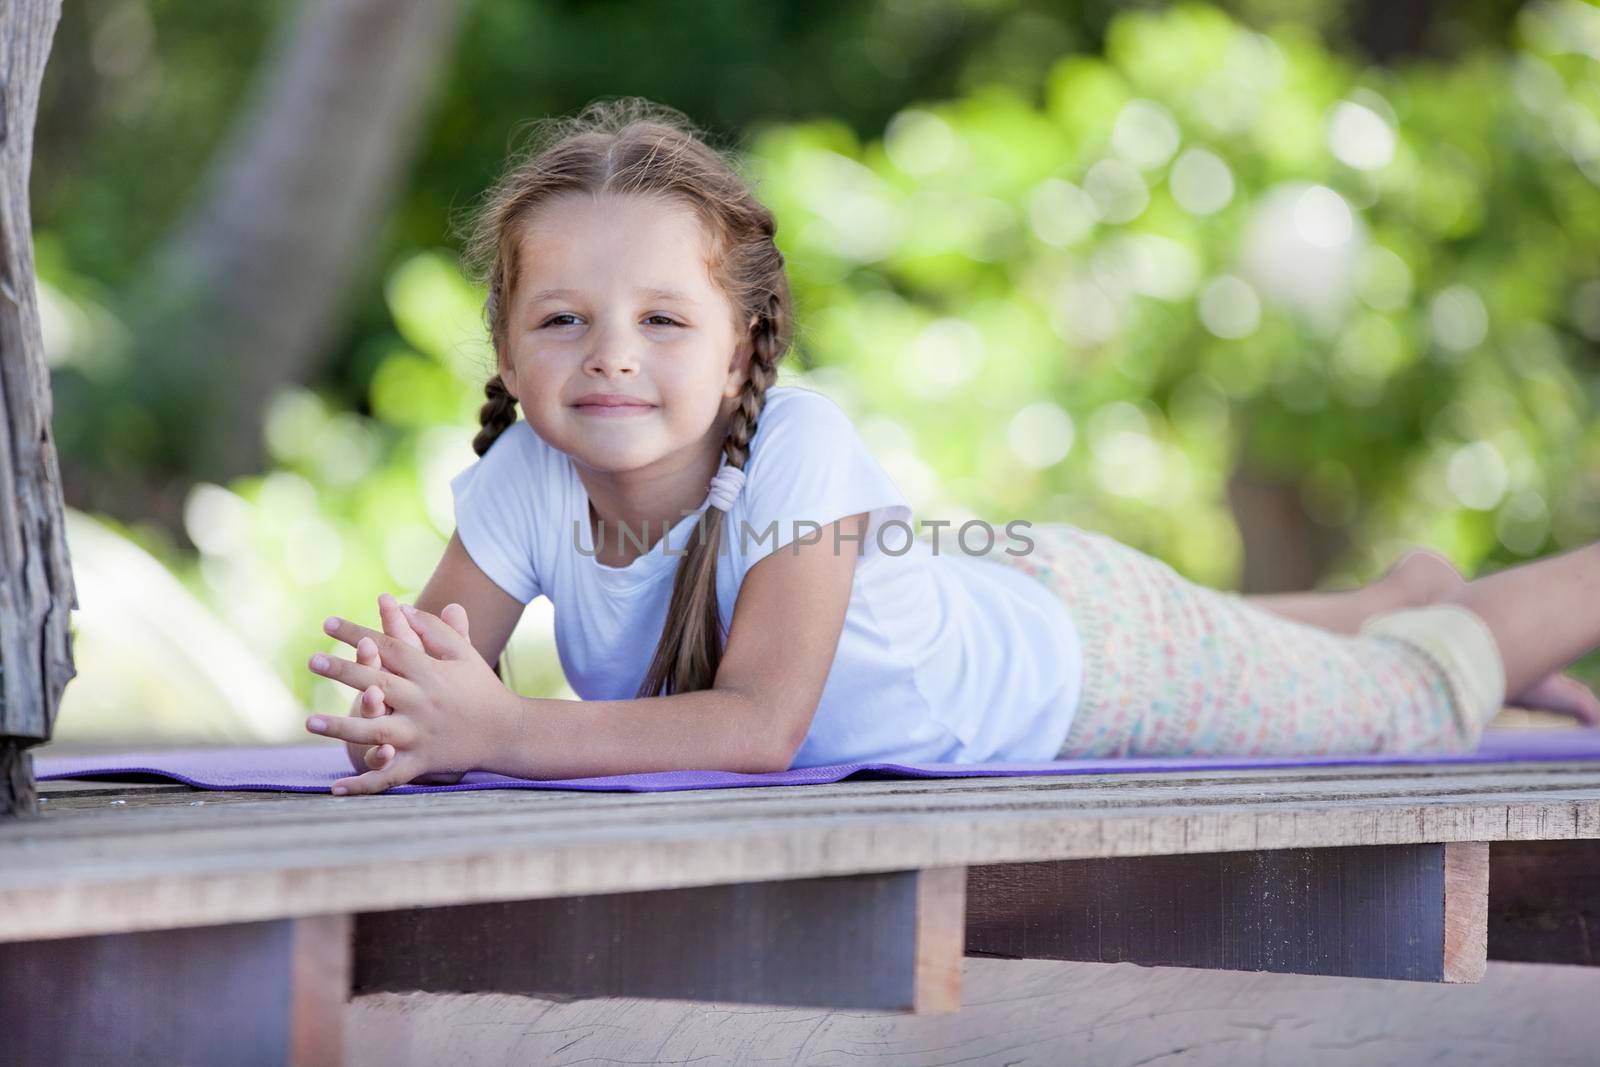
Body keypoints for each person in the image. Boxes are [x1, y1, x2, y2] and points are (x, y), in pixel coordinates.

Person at [302, 98, 1600, 795]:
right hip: (984, 584)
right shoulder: (528, 478)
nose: (612, 356)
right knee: (1353, 634)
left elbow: (759, 727)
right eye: (563, 320)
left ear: (745, 343)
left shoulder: (796, 445)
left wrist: (498, 731)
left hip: (1096, 661)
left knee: (1408, 702)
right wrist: (404, 716)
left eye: (662, 319)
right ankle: (1392, 600)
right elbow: (424, 701)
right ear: (508, 343)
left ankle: (1473, 619)